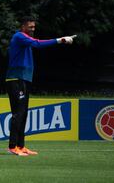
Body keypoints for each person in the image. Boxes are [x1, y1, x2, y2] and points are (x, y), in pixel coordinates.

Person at [6, 16, 75, 156]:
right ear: (23, 26)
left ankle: (21, 146)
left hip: (23, 79)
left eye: (34, 27)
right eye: (30, 27)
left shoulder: (25, 41)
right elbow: (38, 44)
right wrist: (60, 40)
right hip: (15, 79)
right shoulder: (19, 36)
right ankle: (12, 147)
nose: (33, 29)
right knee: (18, 113)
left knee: (23, 113)